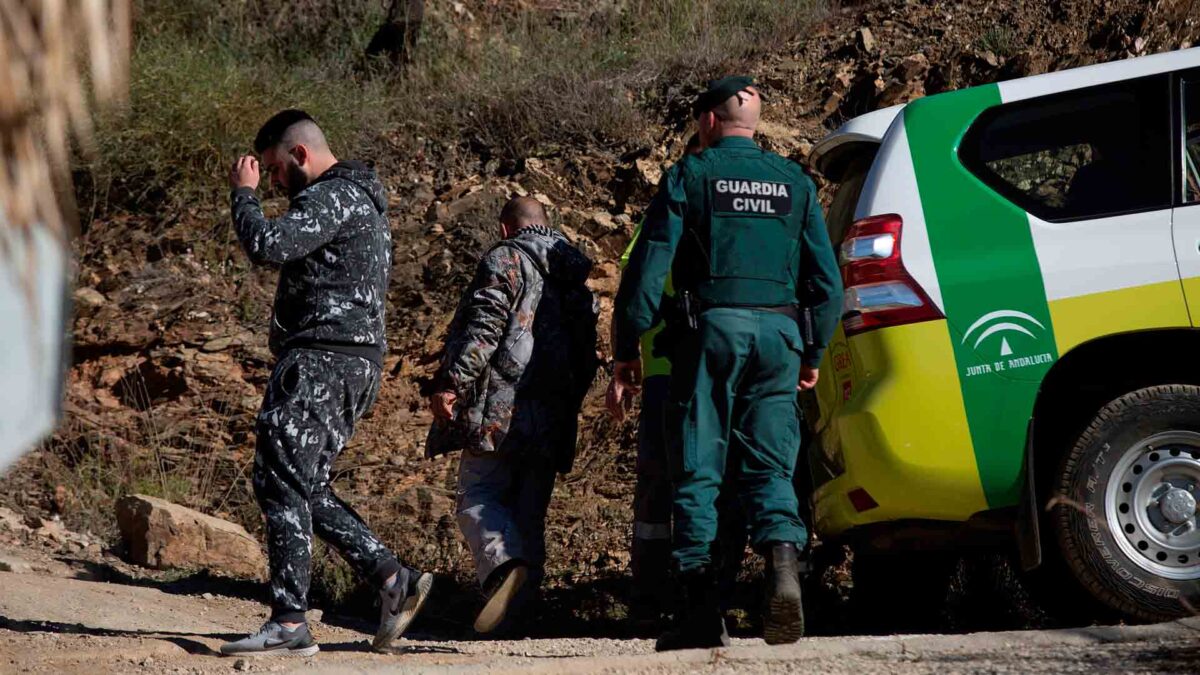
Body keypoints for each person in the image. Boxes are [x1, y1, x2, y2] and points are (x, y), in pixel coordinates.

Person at [610, 77, 843, 651]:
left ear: (708, 121)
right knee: (769, 465)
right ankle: (783, 569)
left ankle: (700, 612)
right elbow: (827, 286)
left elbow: (645, 270)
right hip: (781, 340)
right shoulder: (794, 182)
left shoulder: (691, 174)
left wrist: (625, 349)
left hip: (711, 336)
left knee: (698, 467)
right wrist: (812, 353)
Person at [222, 109, 433, 657]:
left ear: (299, 155)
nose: (269, 181)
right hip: (348, 361)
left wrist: (243, 195)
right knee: (302, 483)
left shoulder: (330, 198)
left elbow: (267, 244)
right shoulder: (359, 201)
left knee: (279, 478)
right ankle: (392, 579)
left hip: (322, 360)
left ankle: (290, 622)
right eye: (261, 176)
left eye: (271, 170)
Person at [426, 196, 598, 636]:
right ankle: (521, 620)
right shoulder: (574, 272)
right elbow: (586, 357)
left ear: (506, 229)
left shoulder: (505, 258)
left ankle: (504, 568)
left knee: (478, 494)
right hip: (554, 413)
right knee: (529, 512)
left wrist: (451, 383)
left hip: (499, 406)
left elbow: (483, 330)